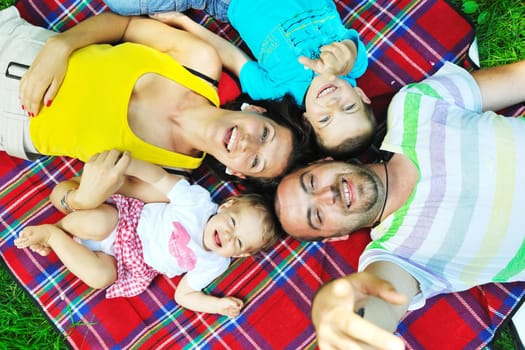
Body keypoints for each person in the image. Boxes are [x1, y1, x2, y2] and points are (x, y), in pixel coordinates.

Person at [274, 60, 525, 348]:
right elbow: (377, 302)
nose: (326, 195)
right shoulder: (395, 255)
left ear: (325, 162)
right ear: (337, 235)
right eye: (317, 215)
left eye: (312, 183)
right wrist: (342, 314)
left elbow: (516, 80)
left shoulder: (414, 107)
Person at [0, 6, 316, 182]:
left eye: (256, 161)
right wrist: (62, 45)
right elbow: (123, 26)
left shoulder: (170, 176)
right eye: (263, 134)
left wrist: (82, 199)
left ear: (237, 172)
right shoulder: (200, 60)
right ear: (255, 111)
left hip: (12, 125)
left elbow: (74, 190)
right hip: (25, 48)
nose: (247, 144)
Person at [15, 150, 282, 316]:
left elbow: (183, 295)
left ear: (243, 254)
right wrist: (128, 164)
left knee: (101, 278)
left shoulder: (214, 263)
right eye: (232, 224)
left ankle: (53, 237)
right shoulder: (198, 204)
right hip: (124, 222)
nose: (226, 235)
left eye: (237, 241)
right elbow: (160, 180)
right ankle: (64, 226)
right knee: (97, 223)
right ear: (227, 206)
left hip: (129, 264)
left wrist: (218, 306)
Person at [104, 0, 376, 156]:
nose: (332, 103)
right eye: (348, 106)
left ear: (307, 120)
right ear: (361, 95)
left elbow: (232, 57)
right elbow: (351, 49)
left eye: (325, 119)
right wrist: (345, 56)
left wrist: (183, 22)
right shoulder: (352, 67)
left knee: (124, 3)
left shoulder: (276, 91)